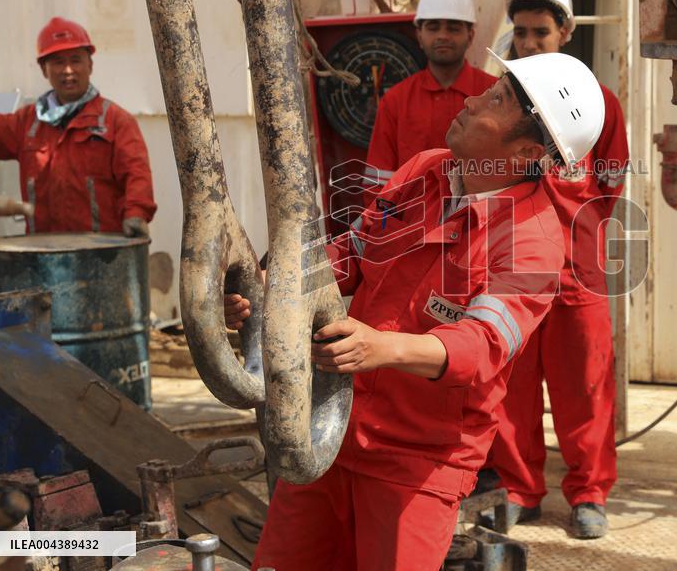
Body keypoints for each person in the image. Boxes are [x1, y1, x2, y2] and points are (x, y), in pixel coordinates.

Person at [227, 50, 605, 571]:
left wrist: (380, 348)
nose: (471, 101)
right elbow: (353, 253)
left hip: (418, 463)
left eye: (496, 99)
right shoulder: (425, 170)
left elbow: (481, 347)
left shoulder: (533, 242)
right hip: (332, 427)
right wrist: (270, 290)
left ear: (526, 150)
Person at [482, 0, 630, 539]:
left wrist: (575, 236)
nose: (528, 43)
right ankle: (520, 490)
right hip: (510, 272)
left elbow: (611, 183)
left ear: (565, 32)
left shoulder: (600, 104)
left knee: (586, 387)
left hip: (579, 274)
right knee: (511, 388)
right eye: (520, 32)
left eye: (540, 32)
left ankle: (589, 493)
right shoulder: (499, 101)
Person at [0, 17, 156, 236]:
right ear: (44, 70)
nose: (68, 70)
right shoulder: (27, 123)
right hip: (42, 251)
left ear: (90, 65)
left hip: (102, 251)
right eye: (58, 62)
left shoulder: (116, 122)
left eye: (76, 60)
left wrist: (136, 214)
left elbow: (136, 174)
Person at [363, 0, 496, 196]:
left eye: (453, 28)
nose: (443, 35)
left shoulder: (495, 94)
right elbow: (377, 184)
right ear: (419, 36)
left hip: (482, 214)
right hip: (414, 215)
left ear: (470, 36)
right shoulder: (396, 101)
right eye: (433, 28)